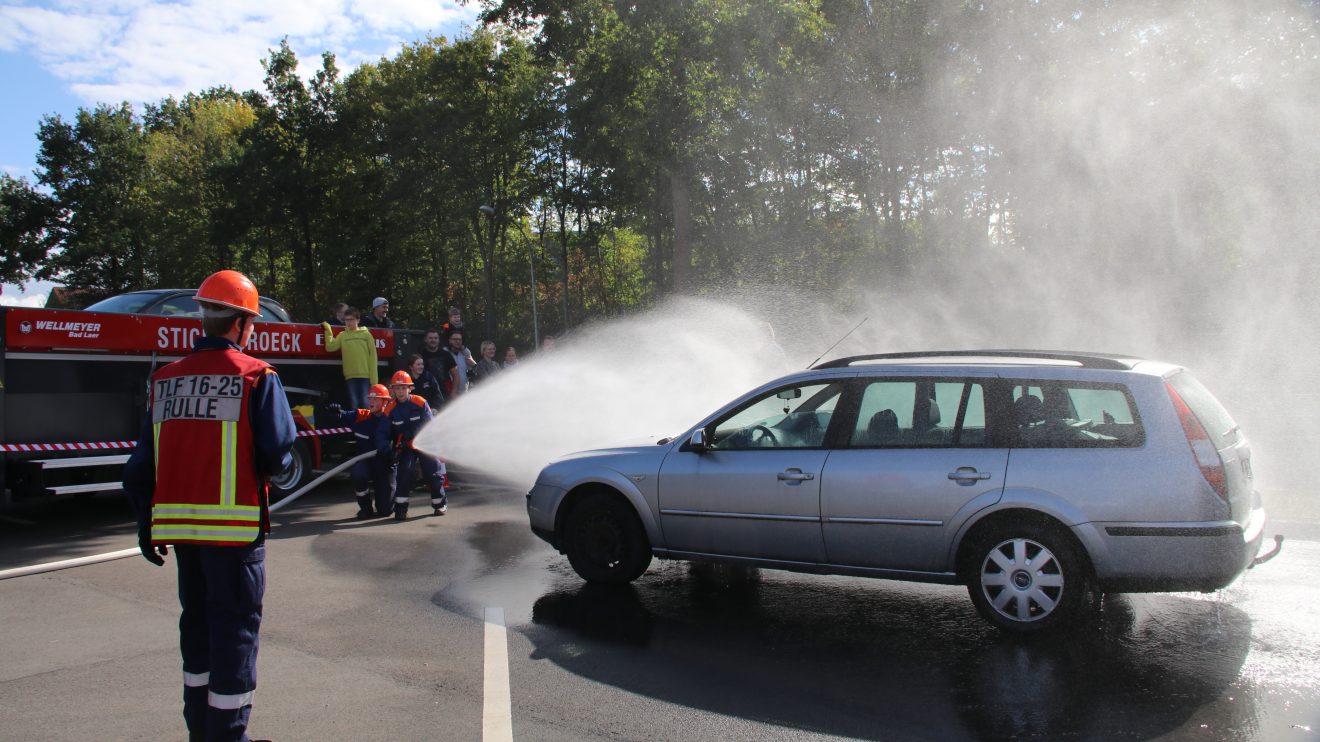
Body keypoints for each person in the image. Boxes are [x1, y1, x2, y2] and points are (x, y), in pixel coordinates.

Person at [122, 269, 296, 742]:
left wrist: (146, 525)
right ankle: (229, 736)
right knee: (234, 635)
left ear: (204, 319)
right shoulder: (256, 376)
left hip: (181, 536)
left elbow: (140, 468)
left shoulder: (166, 381)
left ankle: (200, 732)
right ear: (241, 323)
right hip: (235, 538)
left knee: (196, 633)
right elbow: (276, 451)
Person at [386, 370, 447, 519]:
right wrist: (386, 449)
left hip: (425, 443)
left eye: (403, 388)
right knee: (404, 474)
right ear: (393, 389)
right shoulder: (390, 409)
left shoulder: (420, 402)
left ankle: (440, 504)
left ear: (410, 388)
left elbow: (428, 424)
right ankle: (400, 509)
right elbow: (383, 431)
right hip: (407, 447)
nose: (400, 392)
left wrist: (412, 432)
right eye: (397, 388)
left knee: (432, 472)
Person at [328, 383, 395, 518]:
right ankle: (365, 507)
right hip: (365, 460)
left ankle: (385, 503)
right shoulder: (361, 416)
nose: (371, 401)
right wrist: (335, 413)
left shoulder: (391, 419)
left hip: (384, 464)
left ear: (385, 401)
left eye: (375, 399)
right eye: (370, 398)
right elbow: (341, 417)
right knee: (358, 474)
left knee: (385, 511)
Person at [322, 307, 378, 410]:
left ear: (358, 320)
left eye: (351, 320)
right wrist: (328, 331)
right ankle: (356, 425)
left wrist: (374, 380)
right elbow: (330, 347)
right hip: (350, 376)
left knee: (365, 404)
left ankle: (367, 424)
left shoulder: (366, 334)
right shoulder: (342, 335)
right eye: (346, 320)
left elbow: (373, 357)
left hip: (365, 376)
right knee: (354, 404)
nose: (348, 322)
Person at [419, 328, 459, 397]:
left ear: (439, 340)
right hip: (427, 394)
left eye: (435, 338)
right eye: (430, 338)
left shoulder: (446, 355)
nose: (433, 340)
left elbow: (456, 376)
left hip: (445, 394)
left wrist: (453, 393)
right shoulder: (420, 355)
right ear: (425, 339)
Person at [444, 327, 477, 398]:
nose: (457, 341)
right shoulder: (444, 352)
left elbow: (474, 366)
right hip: (448, 394)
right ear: (449, 340)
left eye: (459, 339)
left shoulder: (465, 352)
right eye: (455, 339)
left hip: (464, 394)